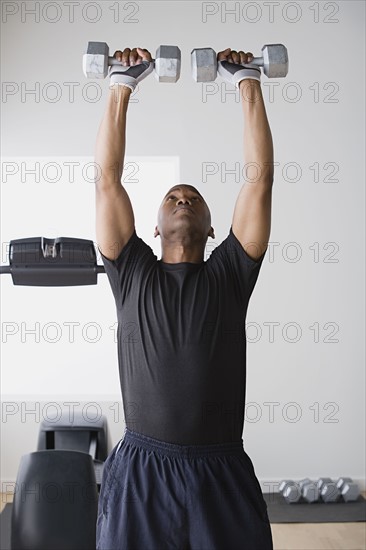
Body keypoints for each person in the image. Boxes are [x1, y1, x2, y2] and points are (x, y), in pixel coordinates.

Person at [95, 46, 274, 550]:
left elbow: (258, 182)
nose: (182, 198)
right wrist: (121, 86)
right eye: (173, 196)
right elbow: (107, 180)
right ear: (153, 228)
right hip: (141, 471)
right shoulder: (130, 272)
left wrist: (247, 82)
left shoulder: (231, 274)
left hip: (220, 469)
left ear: (214, 227)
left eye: (192, 197)